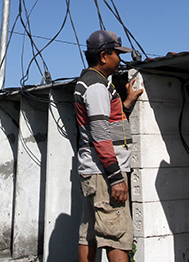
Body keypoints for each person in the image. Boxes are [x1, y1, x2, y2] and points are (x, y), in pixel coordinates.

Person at [74, 30, 143, 262]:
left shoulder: (95, 83)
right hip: (104, 173)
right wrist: (115, 178)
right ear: (104, 56)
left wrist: (127, 103)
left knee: (90, 234)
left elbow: (107, 121)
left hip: (94, 170)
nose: (120, 59)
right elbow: (100, 135)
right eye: (117, 54)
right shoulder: (95, 87)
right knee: (116, 236)